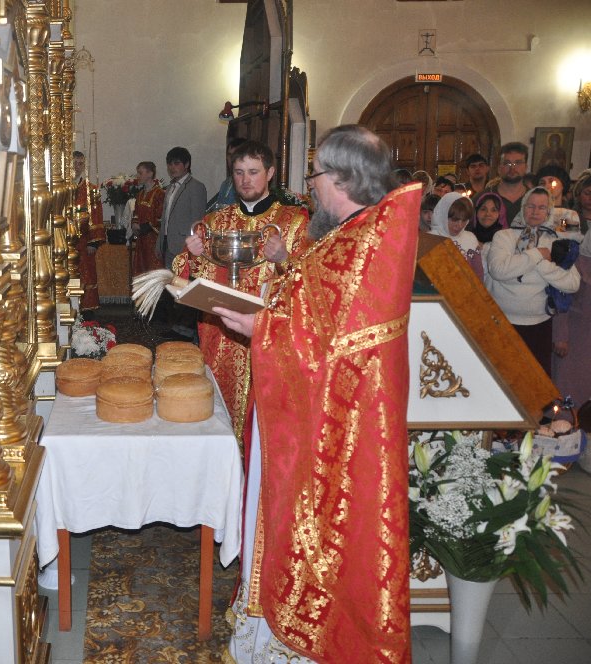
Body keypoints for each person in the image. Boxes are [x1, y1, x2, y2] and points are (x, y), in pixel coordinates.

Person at [215, 125, 417, 663]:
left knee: (334, 539)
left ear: (344, 178)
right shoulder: (345, 235)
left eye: (317, 174)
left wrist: (259, 328)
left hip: (336, 428)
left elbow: (332, 349)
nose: (311, 185)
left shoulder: (362, 244)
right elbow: (315, 318)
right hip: (311, 410)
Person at [172, 140, 309, 441]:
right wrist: (193, 255)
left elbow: (311, 281)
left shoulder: (294, 222)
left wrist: (284, 258)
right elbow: (184, 278)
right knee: (219, 420)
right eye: (238, 172)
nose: (245, 180)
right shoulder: (215, 222)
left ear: (270, 173)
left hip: (269, 337)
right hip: (221, 336)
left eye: (253, 172)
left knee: (263, 428)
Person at [486, 186, 580, 374]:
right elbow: (498, 270)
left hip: (539, 325)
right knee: (501, 378)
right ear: (522, 208)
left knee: (535, 381)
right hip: (501, 321)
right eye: (530, 206)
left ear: (549, 212)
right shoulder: (504, 236)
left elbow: (572, 283)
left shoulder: (555, 242)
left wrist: (540, 263)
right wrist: (537, 254)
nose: (535, 211)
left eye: (542, 207)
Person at [157, 146, 207, 339]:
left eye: (176, 163)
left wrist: (191, 247)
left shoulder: (196, 187)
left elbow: (198, 220)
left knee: (186, 287)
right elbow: (165, 218)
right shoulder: (170, 187)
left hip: (185, 246)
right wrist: (160, 241)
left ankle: (186, 331)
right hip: (168, 243)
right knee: (173, 287)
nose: (172, 167)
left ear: (187, 164)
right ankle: (176, 326)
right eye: (169, 164)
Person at [552, 230, 591, 407]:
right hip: (575, 337)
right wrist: (561, 336)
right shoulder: (576, 263)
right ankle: (565, 419)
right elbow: (562, 301)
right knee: (569, 383)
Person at [73, 150, 106, 316]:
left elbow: (96, 215)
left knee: (86, 274)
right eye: (73, 163)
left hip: (84, 242)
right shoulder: (59, 188)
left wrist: (94, 242)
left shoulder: (91, 189)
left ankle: (86, 313)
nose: (76, 167)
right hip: (62, 242)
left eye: (80, 164)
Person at [431, 192, 482, 280]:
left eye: (464, 220)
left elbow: (478, 274)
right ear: (443, 215)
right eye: (455, 220)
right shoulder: (429, 239)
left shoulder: (470, 239)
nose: (459, 225)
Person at [130, 161, 165, 276]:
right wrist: (134, 224)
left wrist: (143, 227)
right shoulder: (140, 194)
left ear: (150, 174)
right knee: (141, 271)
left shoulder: (160, 193)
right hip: (141, 240)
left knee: (153, 272)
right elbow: (136, 213)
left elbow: (160, 217)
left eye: (140, 173)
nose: (137, 176)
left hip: (154, 241)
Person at [489, 142, 531, 225]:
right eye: (507, 163)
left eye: (518, 163)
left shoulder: (534, 198)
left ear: (526, 167)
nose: (512, 168)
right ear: (499, 168)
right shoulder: (484, 197)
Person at [535, 164, 581, 239]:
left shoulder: (569, 214)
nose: (546, 186)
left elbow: (568, 235)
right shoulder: (532, 211)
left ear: (563, 185)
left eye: (552, 182)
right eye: (542, 183)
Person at [207, 137, 248, 212]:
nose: (231, 159)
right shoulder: (226, 183)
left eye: (235, 155)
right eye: (229, 155)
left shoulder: (248, 182)